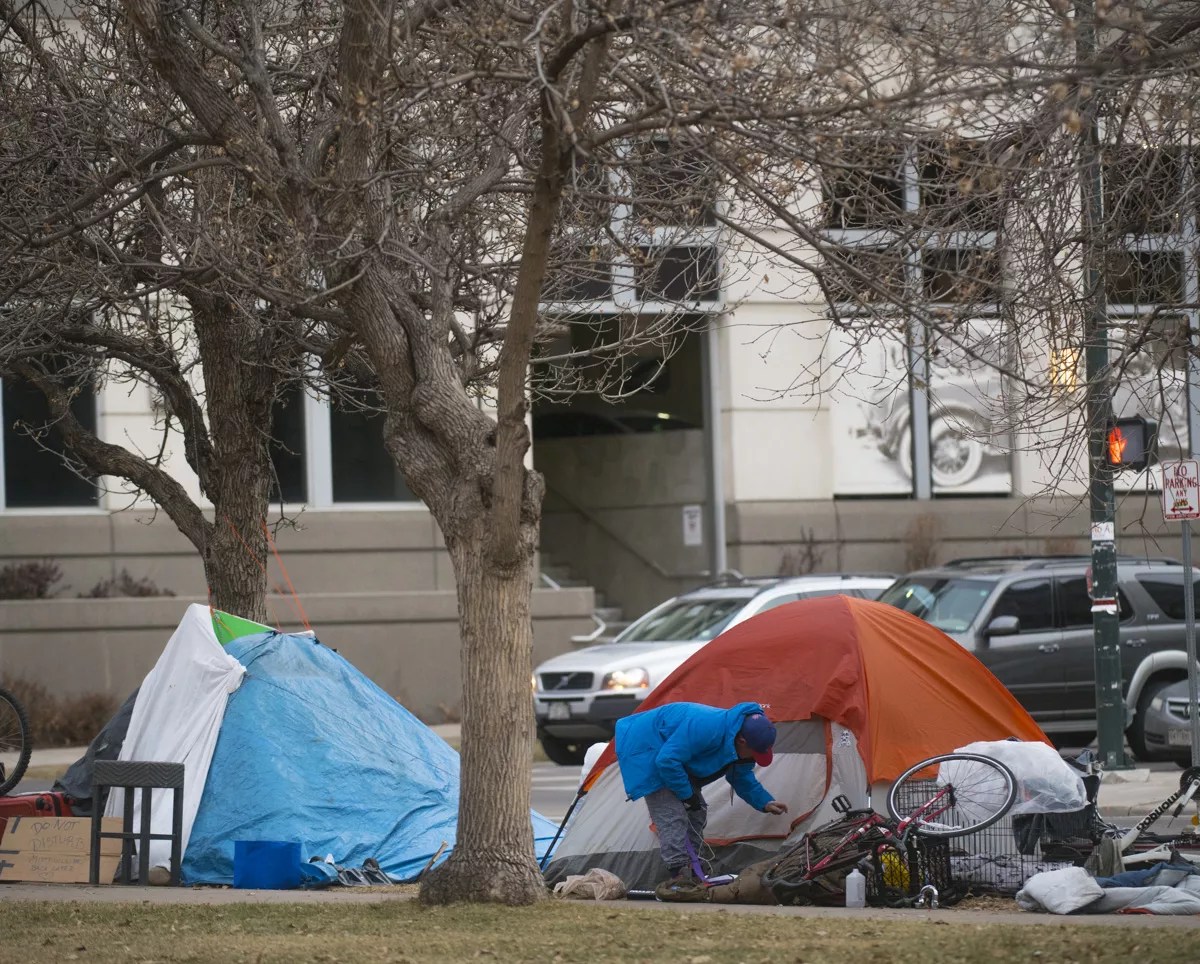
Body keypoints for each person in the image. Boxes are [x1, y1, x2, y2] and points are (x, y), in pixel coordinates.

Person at [613, 701, 788, 901]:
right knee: (673, 815)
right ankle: (678, 875)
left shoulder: (744, 737)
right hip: (646, 745)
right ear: (741, 740)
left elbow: (740, 776)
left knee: (697, 810)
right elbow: (666, 760)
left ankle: (694, 870)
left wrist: (765, 802)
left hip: (675, 755)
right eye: (755, 753)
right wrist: (687, 795)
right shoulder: (706, 728)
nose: (756, 759)